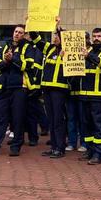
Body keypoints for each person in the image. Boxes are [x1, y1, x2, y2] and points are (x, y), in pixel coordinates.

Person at [0, 24, 35, 157]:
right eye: (16, 31)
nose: (17, 34)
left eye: (21, 32)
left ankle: (16, 146)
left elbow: (28, 65)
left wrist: (13, 59)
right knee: (0, 118)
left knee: (17, 118)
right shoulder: (5, 47)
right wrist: (5, 61)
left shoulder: (28, 48)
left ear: (25, 35)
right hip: (3, 87)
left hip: (20, 87)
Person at [79, 28, 101, 164]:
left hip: (99, 95)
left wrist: (88, 56)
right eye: (95, 36)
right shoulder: (89, 50)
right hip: (85, 94)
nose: (97, 38)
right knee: (87, 125)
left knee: (99, 125)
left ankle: (99, 154)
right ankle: (90, 150)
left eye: (99, 36)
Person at [37, 21, 70, 159]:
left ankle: (60, 148)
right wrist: (31, 23)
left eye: (57, 35)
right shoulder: (49, 49)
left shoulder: (69, 51)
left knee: (58, 119)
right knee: (51, 119)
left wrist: (59, 26)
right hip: (47, 89)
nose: (54, 38)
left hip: (59, 90)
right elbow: (36, 39)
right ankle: (54, 147)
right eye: (54, 35)